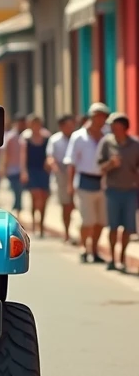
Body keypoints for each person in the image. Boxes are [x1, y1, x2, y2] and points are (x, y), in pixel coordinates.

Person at [64, 102, 110, 263]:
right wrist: (70, 185)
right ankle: (84, 247)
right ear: (91, 117)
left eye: (103, 116)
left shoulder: (107, 135)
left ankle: (95, 249)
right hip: (85, 181)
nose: (101, 120)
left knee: (101, 221)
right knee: (88, 220)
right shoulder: (79, 136)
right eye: (98, 116)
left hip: (103, 182)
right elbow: (71, 162)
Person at [97, 112, 139, 272]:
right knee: (113, 227)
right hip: (112, 191)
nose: (112, 128)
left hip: (130, 191)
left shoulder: (135, 145)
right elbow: (100, 167)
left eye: (115, 125)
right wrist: (110, 164)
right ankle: (112, 259)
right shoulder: (106, 143)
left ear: (123, 127)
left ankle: (122, 258)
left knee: (128, 228)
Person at [46, 113, 76, 243]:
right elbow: (50, 157)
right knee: (66, 205)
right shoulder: (54, 140)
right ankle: (67, 232)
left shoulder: (77, 138)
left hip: (77, 174)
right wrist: (55, 168)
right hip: (62, 175)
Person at [20, 115, 51, 237]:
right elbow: (23, 157)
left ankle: (42, 225)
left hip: (43, 171)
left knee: (44, 198)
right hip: (32, 171)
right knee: (35, 196)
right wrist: (24, 172)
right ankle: (34, 224)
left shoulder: (46, 138)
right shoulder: (26, 139)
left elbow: (49, 154)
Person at [0, 113, 27, 219]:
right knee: (17, 191)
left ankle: (18, 211)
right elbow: (5, 154)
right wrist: (3, 168)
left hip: (23, 169)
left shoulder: (25, 136)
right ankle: (17, 211)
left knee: (19, 192)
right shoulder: (11, 137)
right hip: (13, 170)